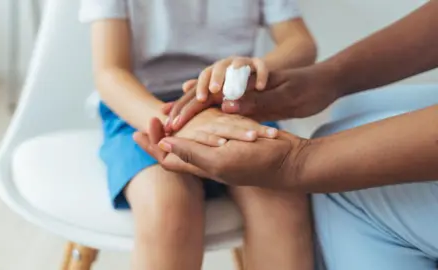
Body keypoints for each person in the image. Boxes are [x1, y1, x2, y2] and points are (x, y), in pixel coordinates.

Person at [134, 1, 438, 270]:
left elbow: (299, 41)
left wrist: (299, 163)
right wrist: (329, 79)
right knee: (350, 114)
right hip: (154, 110)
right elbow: (109, 72)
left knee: (338, 182)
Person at [79, 0, 317, 269]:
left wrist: (255, 66)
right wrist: (176, 121)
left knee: (283, 204)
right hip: (143, 110)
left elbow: (301, 43)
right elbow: (110, 72)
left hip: (235, 108)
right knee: (168, 208)